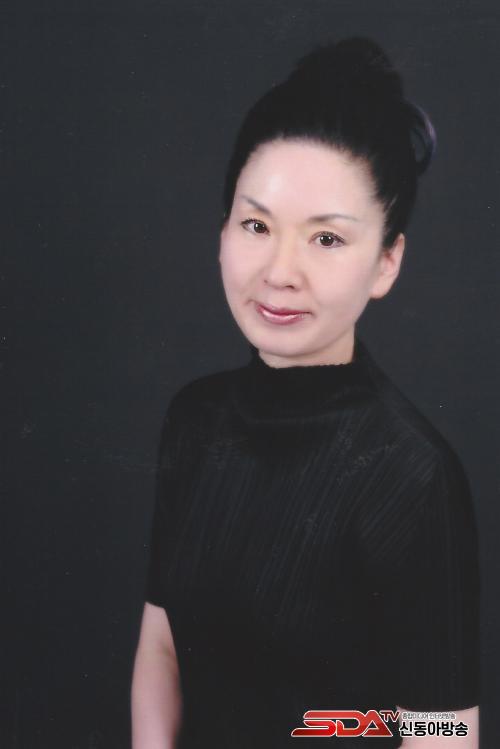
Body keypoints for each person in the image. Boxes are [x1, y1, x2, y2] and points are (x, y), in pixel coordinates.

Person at [130, 37, 481, 748]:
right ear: (222, 230)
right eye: (257, 225)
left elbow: (442, 731)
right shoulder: (195, 419)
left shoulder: (411, 475)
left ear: (387, 262)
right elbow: (161, 646)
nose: (279, 271)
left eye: (326, 239)